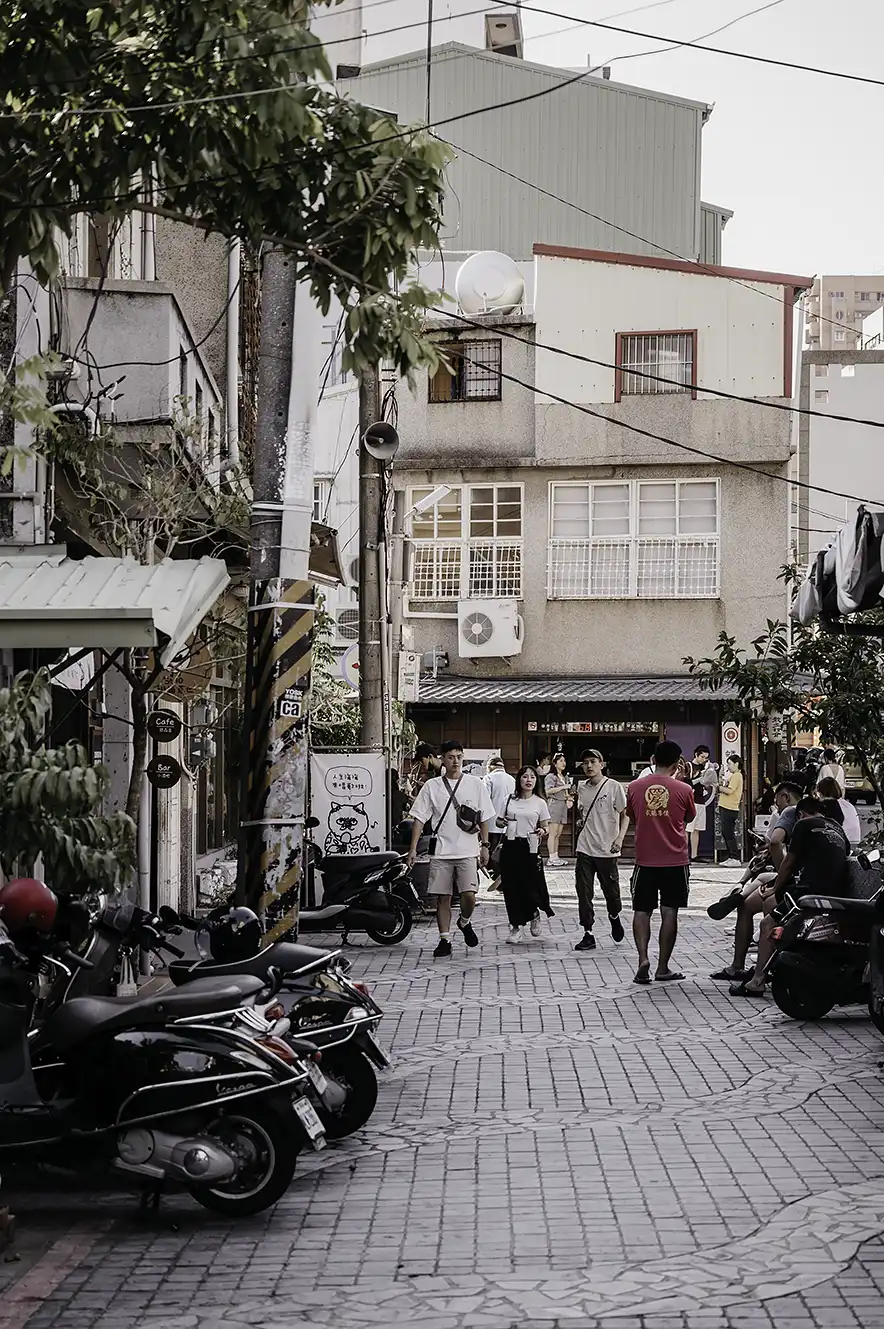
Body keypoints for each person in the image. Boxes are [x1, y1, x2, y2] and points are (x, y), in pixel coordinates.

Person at [730, 796, 850, 998]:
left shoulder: (803, 824)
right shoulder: (836, 827)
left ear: (801, 814)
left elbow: (788, 864)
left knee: (768, 923)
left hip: (809, 891)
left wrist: (776, 887)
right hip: (837, 893)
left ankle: (757, 980)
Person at [408, 740, 495, 959]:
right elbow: (419, 818)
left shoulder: (476, 784)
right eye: (450, 757)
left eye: (458, 756)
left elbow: (484, 817)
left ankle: (464, 921)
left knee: (469, 895)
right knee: (443, 898)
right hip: (441, 851)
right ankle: (444, 939)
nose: (455, 761)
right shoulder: (432, 786)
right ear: (443, 759)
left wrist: (484, 846)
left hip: (467, 850)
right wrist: (412, 849)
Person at [709, 781, 802, 974]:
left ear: (785, 796)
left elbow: (775, 841)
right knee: (758, 885)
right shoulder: (814, 815)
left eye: (776, 797)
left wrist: (782, 869)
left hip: (792, 882)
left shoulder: (789, 812)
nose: (774, 802)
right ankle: (739, 895)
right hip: (794, 878)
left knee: (756, 897)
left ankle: (740, 966)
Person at [625, 741, 695, 985]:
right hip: (675, 859)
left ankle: (642, 959)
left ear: (653, 760)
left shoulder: (634, 787)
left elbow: (632, 816)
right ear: (678, 763)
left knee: (641, 909)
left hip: (644, 859)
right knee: (669, 911)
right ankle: (662, 966)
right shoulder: (684, 789)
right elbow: (688, 817)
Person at [573, 749, 628, 952]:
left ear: (601, 764)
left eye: (593, 761)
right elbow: (583, 812)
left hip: (607, 848)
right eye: (585, 762)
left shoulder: (613, 787)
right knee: (583, 891)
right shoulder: (582, 788)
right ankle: (588, 932)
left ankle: (614, 916)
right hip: (585, 846)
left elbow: (626, 814)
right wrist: (581, 820)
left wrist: (620, 838)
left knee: (611, 893)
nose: (589, 766)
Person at [498, 765, 555, 944]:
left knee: (531, 886)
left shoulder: (540, 802)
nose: (528, 780)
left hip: (530, 847)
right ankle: (515, 926)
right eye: (525, 777)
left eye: (532, 777)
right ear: (519, 780)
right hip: (510, 845)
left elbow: (546, 826)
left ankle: (534, 913)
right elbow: (498, 822)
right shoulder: (509, 800)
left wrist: (541, 831)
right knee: (511, 887)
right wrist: (503, 822)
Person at [817, 776, 861, 845]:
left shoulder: (829, 804)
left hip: (843, 844)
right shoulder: (847, 804)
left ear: (821, 792)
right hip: (855, 841)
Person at [544, 753, 571, 866]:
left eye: (564, 760)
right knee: (553, 833)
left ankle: (556, 856)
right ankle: (551, 857)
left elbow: (565, 792)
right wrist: (563, 787)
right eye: (560, 761)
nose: (563, 763)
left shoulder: (564, 777)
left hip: (563, 805)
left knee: (558, 833)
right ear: (554, 763)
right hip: (554, 805)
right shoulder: (551, 776)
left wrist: (569, 798)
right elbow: (548, 791)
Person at [718, 755, 744, 865]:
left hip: (729, 807)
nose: (728, 766)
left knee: (728, 834)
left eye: (730, 764)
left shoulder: (737, 775)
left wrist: (718, 787)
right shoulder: (734, 776)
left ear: (736, 764)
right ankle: (731, 856)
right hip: (727, 806)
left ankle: (735, 858)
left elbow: (729, 790)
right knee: (726, 833)